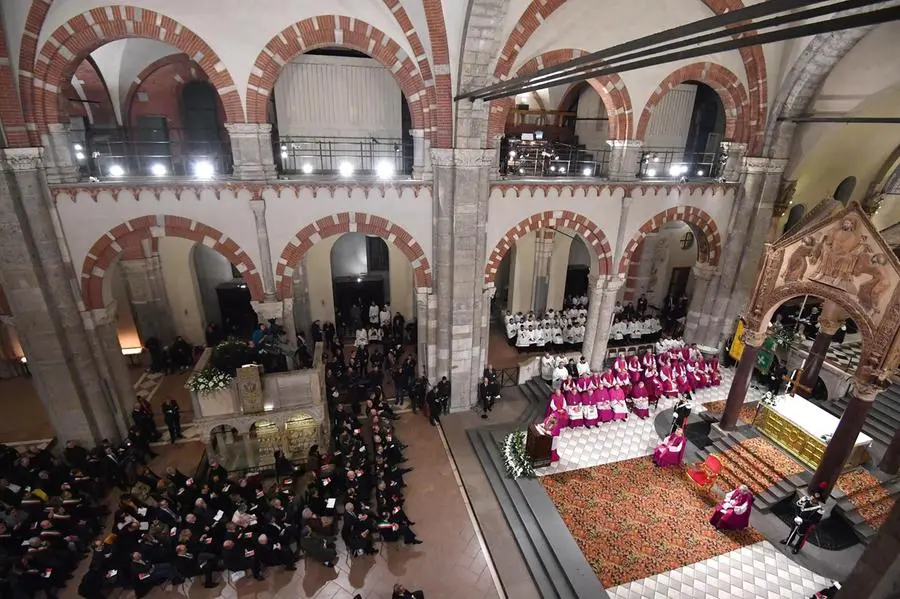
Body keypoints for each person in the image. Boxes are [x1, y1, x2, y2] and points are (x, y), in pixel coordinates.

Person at [781, 489, 826, 554]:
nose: (812, 498)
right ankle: (789, 540)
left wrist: (802, 520)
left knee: (802, 537)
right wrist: (797, 516)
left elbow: (814, 521)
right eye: (813, 496)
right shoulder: (804, 499)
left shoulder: (820, 510)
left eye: (815, 498)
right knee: (793, 531)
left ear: (818, 500)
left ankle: (797, 547)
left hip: (805, 524)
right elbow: (797, 506)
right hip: (797, 519)